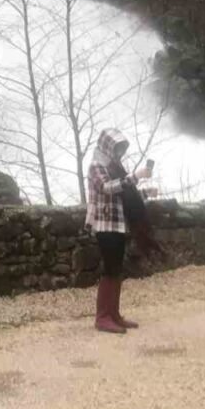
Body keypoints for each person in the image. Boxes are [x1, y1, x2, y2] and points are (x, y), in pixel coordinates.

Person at [85, 128, 153, 334]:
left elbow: (123, 193)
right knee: (110, 269)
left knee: (116, 269)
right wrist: (135, 176)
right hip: (105, 225)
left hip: (117, 224)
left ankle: (113, 315)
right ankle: (102, 317)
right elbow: (107, 188)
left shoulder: (114, 167)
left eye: (121, 148)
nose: (119, 152)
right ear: (107, 146)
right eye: (117, 148)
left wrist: (144, 191)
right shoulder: (96, 166)